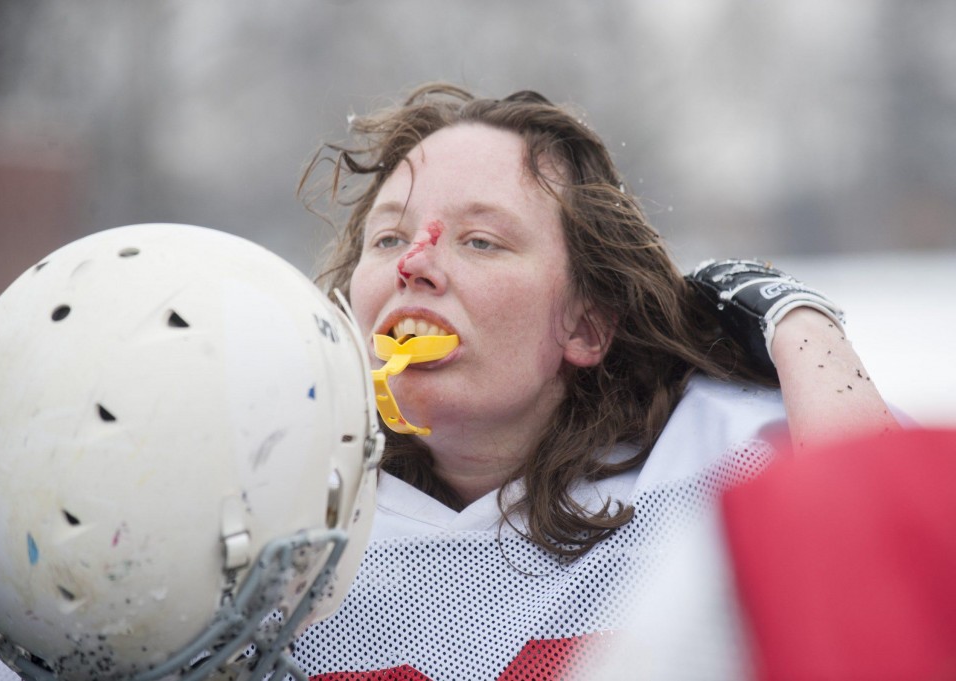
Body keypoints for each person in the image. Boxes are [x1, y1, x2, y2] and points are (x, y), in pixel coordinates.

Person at [286, 83, 899, 680]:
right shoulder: (277, 515)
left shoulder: (725, 463)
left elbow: (901, 596)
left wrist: (802, 329)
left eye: (481, 241)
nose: (412, 263)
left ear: (585, 325)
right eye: (388, 237)